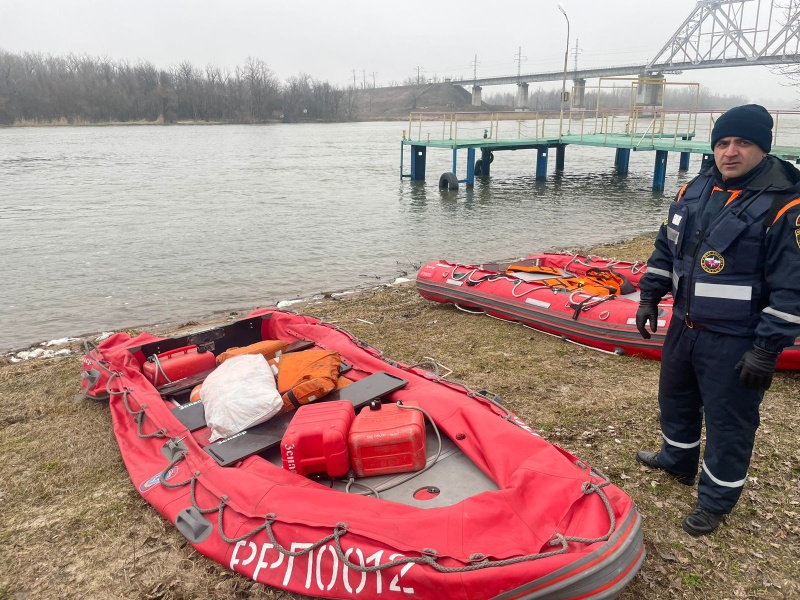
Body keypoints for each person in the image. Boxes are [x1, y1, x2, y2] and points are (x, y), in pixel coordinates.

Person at [634, 104, 800, 536]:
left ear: (761, 148)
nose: (730, 151)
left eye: (743, 142)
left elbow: (793, 287)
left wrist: (766, 349)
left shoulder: (785, 206)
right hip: (684, 326)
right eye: (723, 142)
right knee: (676, 400)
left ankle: (716, 499)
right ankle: (677, 459)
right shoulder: (693, 190)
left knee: (730, 422)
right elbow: (665, 247)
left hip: (737, 338)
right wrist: (650, 296)